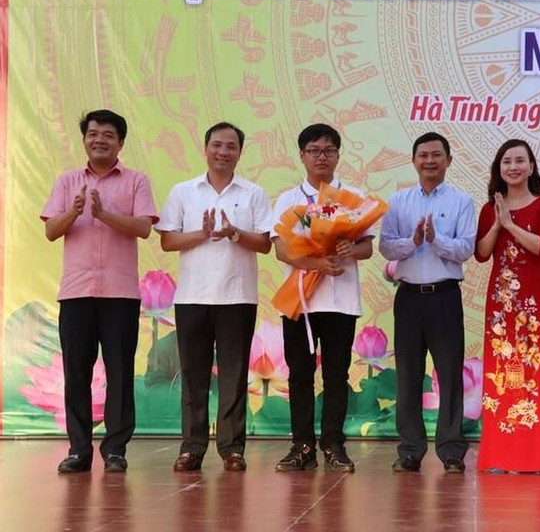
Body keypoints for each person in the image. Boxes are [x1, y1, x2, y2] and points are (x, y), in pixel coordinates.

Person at [42, 109, 158, 473]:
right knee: (77, 370)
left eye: (108, 135)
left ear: (120, 142)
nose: (100, 140)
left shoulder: (136, 181)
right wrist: (74, 212)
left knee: (120, 371)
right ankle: (78, 449)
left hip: (120, 294)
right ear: (84, 140)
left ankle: (115, 450)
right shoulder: (67, 181)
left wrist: (105, 214)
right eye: (93, 134)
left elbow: (143, 228)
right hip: (76, 292)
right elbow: (51, 231)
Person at [156, 121, 272, 472]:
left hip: (237, 297)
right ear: (205, 148)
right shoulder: (183, 192)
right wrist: (201, 234)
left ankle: (232, 449)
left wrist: (236, 233)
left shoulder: (253, 193)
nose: (223, 152)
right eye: (217, 145)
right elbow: (167, 241)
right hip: (192, 296)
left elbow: (265, 244)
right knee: (193, 375)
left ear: (240, 152)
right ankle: (191, 447)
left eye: (231, 146)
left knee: (234, 376)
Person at [272, 123, 374, 473]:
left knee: (336, 374)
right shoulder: (289, 199)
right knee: (299, 373)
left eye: (328, 151)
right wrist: (315, 261)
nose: (321, 157)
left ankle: (333, 445)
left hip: (340, 300)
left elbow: (367, 248)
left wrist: (350, 246)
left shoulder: (355, 198)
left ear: (338, 156)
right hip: (300, 300)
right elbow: (281, 250)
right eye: (314, 150)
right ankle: (301, 445)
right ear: (301, 155)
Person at [379, 132, 476, 474]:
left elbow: (466, 249)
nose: (430, 161)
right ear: (414, 160)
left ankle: (451, 450)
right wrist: (413, 241)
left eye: (437, 155)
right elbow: (387, 247)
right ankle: (410, 450)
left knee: (450, 375)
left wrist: (436, 241)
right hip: (408, 298)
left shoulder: (462, 202)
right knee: (408, 375)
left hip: (445, 296)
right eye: (423, 155)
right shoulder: (398, 201)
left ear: (449, 160)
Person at [474, 139, 540, 472]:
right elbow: (482, 253)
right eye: (506, 162)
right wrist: (498, 224)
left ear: (531, 167)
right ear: (498, 169)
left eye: (519, 161)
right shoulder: (490, 208)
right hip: (502, 304)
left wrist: (512, 225)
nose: (513, 167)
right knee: (503, 371)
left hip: (534, 303)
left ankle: (538, 454)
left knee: (536, 369)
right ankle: (503, 453)